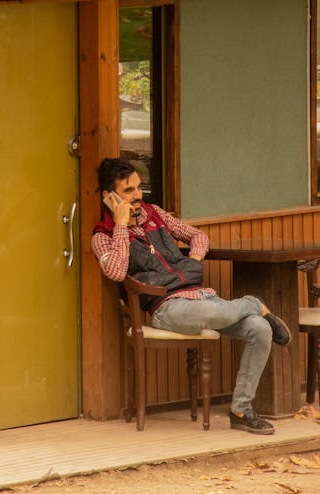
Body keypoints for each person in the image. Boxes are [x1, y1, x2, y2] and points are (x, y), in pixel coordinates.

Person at [92, 157, 292, 435]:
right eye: (128, 191)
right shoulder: (103, 236)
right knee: (230, 313)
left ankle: (241, 410)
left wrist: (194, 260)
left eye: (139, 188)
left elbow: (199, 236)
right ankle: (253, 304)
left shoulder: (156, 214)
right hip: (167, 308)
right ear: (108, 196)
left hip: (201, 297)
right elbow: (115, 271)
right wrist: (121, 225)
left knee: (259, 329)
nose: (138, 196)